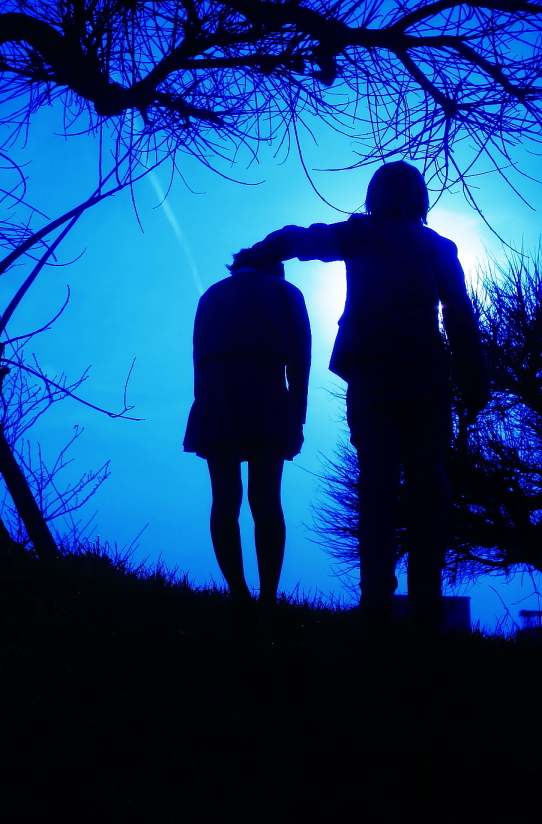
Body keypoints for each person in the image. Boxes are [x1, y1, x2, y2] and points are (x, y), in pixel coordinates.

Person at [246, 161, 489, 632]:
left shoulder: (361, 233)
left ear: (375, 196)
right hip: (425, 374)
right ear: (419, 200)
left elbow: (300, 239)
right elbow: (459, 315)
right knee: (428, 485)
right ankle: (424, 603)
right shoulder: (438, 246)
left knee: (378, 484)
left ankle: (377, 603)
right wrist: (474, 379)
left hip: (375, 373)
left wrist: (259, 253)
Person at [184, 252, 311, 614]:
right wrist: (297, 416)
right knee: (266, 498)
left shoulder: (211, 294)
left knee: (224, 499)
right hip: (266, 391)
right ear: (273, 265)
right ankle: (267, 597)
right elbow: (300, 360)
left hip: (216, 393)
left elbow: (198, 356)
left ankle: (238, 593)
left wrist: (204, 403)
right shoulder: (285, 291)